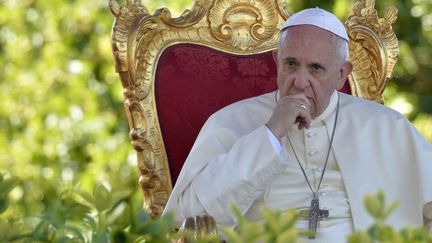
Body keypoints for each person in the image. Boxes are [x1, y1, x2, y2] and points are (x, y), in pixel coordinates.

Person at [163, 7, 432, 241]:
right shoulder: (231, 121)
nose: (301, 82)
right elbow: (189, 219)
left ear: (342, 74)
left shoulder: (386, 127)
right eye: (291, 64)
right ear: (276, 62)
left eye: (316, 68)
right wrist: (270, 133)